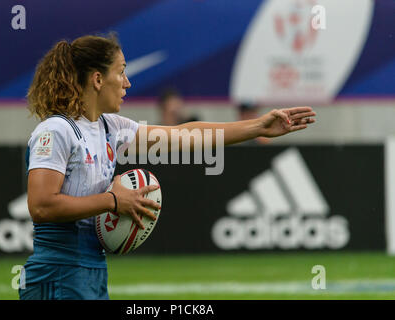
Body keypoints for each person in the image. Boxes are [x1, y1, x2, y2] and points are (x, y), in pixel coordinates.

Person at [20, 33, 316, 300]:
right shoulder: (57, 131)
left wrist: (258, 127)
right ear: (98, 79)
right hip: (57, 274)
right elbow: (42, 206)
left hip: (92, 271)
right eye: (121, 73)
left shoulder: (111, 127)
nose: (127, 83)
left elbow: (188, 136)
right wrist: (112, 201)